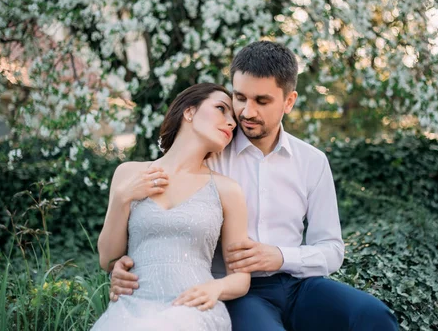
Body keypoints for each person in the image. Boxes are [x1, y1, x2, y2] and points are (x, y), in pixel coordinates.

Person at [110, 41, 399, 330]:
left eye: (262, 101)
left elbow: (332, 249)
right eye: (240, 97)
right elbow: (160, 214)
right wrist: (121, 265)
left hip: (300, 284)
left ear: (289, 101)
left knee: (373, 315)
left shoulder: (312, 161)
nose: (246, 112)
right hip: (240, 293)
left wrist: (280, 256)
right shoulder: (211, 156)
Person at [92, 83, 250, 330]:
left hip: (193, 307)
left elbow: (241, 277)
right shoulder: (128, 173)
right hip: (131, 306)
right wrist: (123, 197)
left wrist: (216, 287)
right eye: (221, 109)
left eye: (234, 120)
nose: (231, 122)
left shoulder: (227, 190)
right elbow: (108, 259)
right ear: (189, 112)